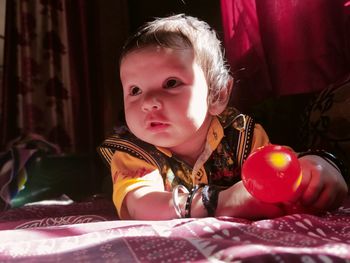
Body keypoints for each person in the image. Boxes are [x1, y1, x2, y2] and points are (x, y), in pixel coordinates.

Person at [98, 14, 348, 220]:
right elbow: (141, 205)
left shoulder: (241, 135)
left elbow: (275, 171)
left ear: (217, 94)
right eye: (135, 90)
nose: (148, 102)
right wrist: (220, 202)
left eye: (171, 83)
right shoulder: (133, 152)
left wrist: (319, 168)